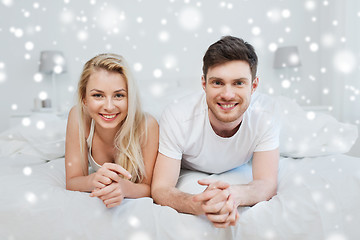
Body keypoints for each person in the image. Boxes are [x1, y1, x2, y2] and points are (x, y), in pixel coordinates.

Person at [151, 36, 280, 228]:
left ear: (253, 86)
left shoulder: (266, 114)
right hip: (191, 166)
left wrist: (234, 196)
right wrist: (197, 205)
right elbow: (161, 188)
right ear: (204, 84)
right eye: (218, 83)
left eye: (238, 83)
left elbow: (266, 182)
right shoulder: (177, 116)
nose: (228, 94)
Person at [65, 53, 159, 208]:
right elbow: (72, 181)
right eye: (98, 95)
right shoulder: (78, 117)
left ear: (130, 98)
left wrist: (124, 187)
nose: (109, 106)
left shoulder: (148, 126)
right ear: (84, 98)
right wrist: (92, 180)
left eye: (119, 95)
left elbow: (148, 188)